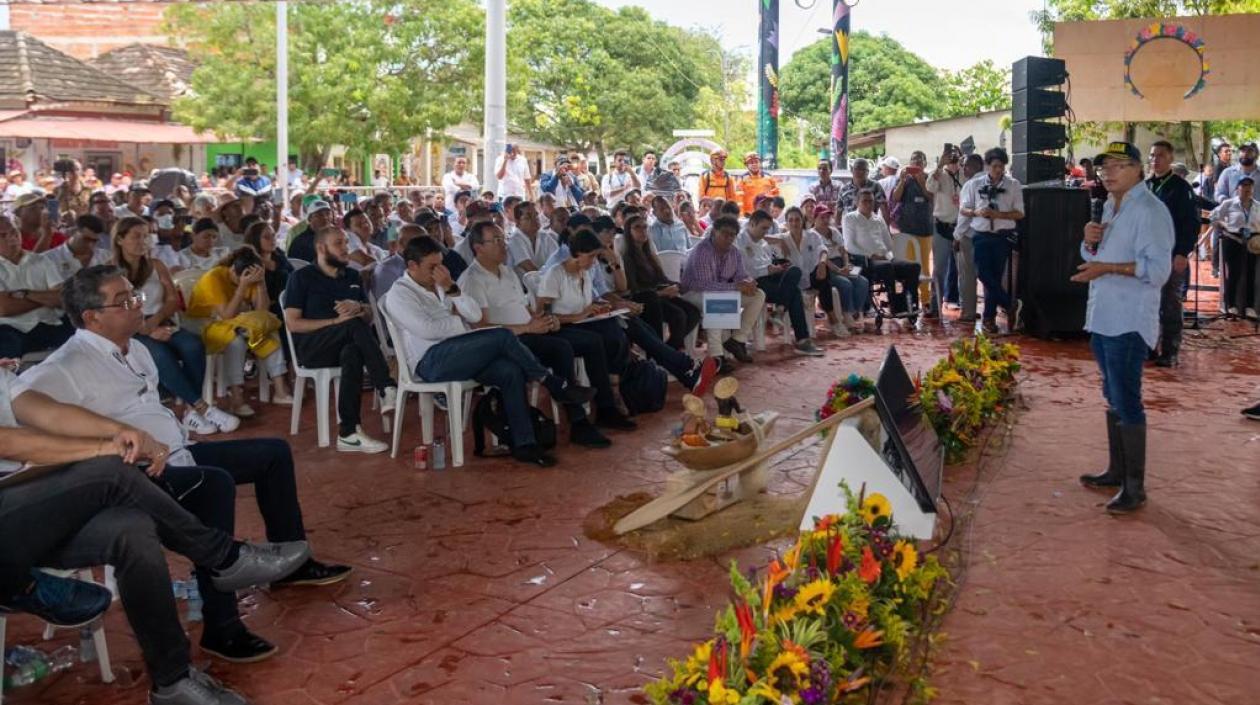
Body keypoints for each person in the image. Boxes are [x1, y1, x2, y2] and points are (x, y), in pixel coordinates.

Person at [21, 264, 351, 667]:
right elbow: (27, 415)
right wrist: (102, 444)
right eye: (124, 301)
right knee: (212, 486)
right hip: (135, 475)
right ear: (92, 317)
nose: (137, 306)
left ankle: (292, 569)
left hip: (178, 451)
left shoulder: (135, 346)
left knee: (272, 453)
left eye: (135, 296)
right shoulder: (64, 367)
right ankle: (222, 626)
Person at [1, 371, 311, 705]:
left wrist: (118, 430)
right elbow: (7, 442)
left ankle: (172, 680)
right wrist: (103, 447)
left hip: (26, 513)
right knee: (111, 469)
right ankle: (224, 558)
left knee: (133, 530)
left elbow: (48, 412)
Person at [385, 237, 595, 467]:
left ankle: (524, 444)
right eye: (432, 267)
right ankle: (551, 381)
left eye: (441, 265)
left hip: (462, 351)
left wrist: (452, 289)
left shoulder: (441, 284)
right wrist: (460, 325)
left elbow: (474, 316)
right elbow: (427, 330)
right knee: (502, 336)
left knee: (510, 371)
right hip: (430, 362)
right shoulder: (400, 293)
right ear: (412, 266)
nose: (439, 272)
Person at [1072, 142, 1174, 514]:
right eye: (1104, 167)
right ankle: (1117, 471)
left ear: (1138, 170)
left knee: (1127, 399)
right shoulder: (1111, 207)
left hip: (1129, 320)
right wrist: (1089, 241)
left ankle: (1136, 487)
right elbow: (1095, 256)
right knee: (1112, 392)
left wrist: (1108, 269)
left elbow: (1158, 272)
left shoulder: (1150, 211)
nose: (1108, 172)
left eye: (1118, 165)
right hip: (1103, 317)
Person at [457, 222, 614, 445]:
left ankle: (603, 409)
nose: (504, 246)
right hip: (505, 343)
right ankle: (577, 419)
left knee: (590, 341)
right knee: (561, 348)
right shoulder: (472, 279)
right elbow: (481, 328)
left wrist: (541, 320)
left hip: (529, 332)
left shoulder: (507, 272)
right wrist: (528, 328)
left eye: (504, 239)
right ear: (478, 248)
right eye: (496, 240)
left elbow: (524, 309)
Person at [113, 216, 238, 435]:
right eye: (136, 236)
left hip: (161, 319)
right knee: (160, 354)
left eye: (146, 236)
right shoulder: (110, 271)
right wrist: (146, 328)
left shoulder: (156, 265)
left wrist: (156, 321)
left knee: (192, 345)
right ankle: (203, 408)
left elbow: (172, 299)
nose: (143, 241)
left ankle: (190, 412)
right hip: (130, 328)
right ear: (120, 239)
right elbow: (116, 307)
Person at [282, 227, 397, 453]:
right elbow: (293, 323)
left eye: (346, 242)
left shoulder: (352, 276)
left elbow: (369, 316)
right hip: (313, 348)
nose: (346, 248)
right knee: (352, 325)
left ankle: (349, 433)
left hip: (345, 344)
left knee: (353, 351)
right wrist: (336, 323)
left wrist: (360, 307)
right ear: (321, 248)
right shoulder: (301, 277)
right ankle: (385, 385)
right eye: (339, 243)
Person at [187, 247, 293, 415]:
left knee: (267, 331)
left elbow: (261, 311)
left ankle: (280, 390)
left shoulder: (252, 277)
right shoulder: (214, 277)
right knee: (234, 341)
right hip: (203, 325)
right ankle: (236, 397)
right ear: (232, 270)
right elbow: (227, 314)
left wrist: (261, 283)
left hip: (234, 322)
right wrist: (242, 286)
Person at [681, 216, 766, 370]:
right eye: (724, 233)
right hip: (692, 293)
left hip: (719, 291)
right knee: (719, 299)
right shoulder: (702, 250)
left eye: (732, 235)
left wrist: (748, 282)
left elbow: (741, 275)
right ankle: (716, 357)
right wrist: (736, 287)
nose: (728, 238)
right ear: (714, 232)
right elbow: (705, 285)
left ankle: (737, 340)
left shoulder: (734, 252)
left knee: (758, 295)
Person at [1145, 141, 1201, 367]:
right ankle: (1148, 346)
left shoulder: (1180, 188)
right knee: (1147, 302)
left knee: (1169, 302)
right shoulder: (1145, 186)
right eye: (1152, 155)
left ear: (1170, 159)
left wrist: (1182, 252)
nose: (1155, 159)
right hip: (1146, 254)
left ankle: (1170, 351)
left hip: (1170, 254)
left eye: (1160, 155)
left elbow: (1191, 223)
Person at [738, 210, 823, 356]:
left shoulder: (762, 242)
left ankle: (780, 309)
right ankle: (801, 339)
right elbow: (745, 269)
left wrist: (776, 268)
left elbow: (767, 261)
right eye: (763, 228)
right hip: (752, 282)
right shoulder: (740, 240)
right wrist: (768, 269)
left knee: (794, 270)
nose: (765, 233)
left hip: (768, 276)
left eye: (767, 229)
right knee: (795, 292)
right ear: (752, 224)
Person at [958, 148, 1023, 335]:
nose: (998, 170)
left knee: (993, 279)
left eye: (1001, 167)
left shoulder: (1013, 185)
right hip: (981, 234)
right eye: (994, 166)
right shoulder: (974, 184)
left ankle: (989, 319)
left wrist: (998, 214)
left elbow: (1020, 213)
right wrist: (976, 212)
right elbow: (963, 209)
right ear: (987, 166)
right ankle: (1010, 304)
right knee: (983, 274)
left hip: (1002, 236)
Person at [776, 206, 863, 337]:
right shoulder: (783, 237)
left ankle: (846, 316)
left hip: (819, 273)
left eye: (797, 220)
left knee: (857, 279)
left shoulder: (816, 235)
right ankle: (837, 319)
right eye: (791, 220)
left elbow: (825, 250)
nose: (794, 223)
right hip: (799, 279)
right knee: (838, 282)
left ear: (802, 221)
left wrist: (827, 263)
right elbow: (761, 237)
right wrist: (778, 240)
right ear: (787, 223)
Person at [621, 214, 701, 351]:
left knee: (693, 313)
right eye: (637, 228)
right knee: (678, 315)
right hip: (647, 299)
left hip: (660, 295)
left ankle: (669, 348)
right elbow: (633, 289)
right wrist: (661, 292)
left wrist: (675, 285)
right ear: (629, 232)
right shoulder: (628, 257)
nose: (643, 231)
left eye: (645, 227)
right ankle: (667, 351)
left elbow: (661, 278)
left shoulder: (648, 253)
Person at [842, 188, 920, 316]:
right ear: (857, 202)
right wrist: (871, 255)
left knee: (913, 267)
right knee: (887, 267)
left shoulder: (878, 219)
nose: (868, 204)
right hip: (865, 261)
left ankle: (908, 303)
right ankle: (895, 306)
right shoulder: (850, 218)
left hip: (885, 258)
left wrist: (887, 256)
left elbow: (889, 244)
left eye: (871, 201)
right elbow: (849, 246)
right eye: (864, 201)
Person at [807, 205, 870, 331]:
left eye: (828, 217)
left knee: (863, 281)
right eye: (822, 217)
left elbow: (843, 251)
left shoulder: (834, 231)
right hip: (826, 267)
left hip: (841, 264)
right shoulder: (812, 235)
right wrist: (838, 270)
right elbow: (821, 258)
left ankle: (854, 311)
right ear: (815, 219)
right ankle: (847, 314)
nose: (825, 220)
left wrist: (846, 265)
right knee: (845, 283)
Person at [1208, 175, 1260, 318]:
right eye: (1243, 186)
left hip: (1252, 242)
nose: (1247, 189)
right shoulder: (1229, 204)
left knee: (1251, 274)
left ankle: (1249, 307)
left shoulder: (1257, 206)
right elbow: (1213, 216)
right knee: (1233, 273)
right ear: (1238, 188)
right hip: (1233, 240)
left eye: (1249, 186)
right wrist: (1225, 225)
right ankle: (1230, 305)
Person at [890, 151, 934, 309]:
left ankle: (926, 301)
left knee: (924, 266)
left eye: (920, 161)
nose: (916, 163)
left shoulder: (930, 178)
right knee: (909, 266)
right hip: (907, 229)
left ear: (925, 164)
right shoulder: (904, 179)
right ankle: (910, 299)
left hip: (926, 229)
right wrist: (902, 180)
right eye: (913, 160)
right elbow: (895, 198)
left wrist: (922, 182)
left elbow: (932, 197)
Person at [927, 145, 964, 318]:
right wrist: (940, 164)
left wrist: (963, 162)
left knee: (964, 269)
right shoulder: (939, 174)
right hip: (942, 226)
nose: (953, 158)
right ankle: (935, 306)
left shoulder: (965, 173)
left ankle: (966, 306)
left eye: (956, 155)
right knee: (939, 269)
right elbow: (930, 188)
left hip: (961, 227)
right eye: (950, 155)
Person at [950, 154, 985, 324]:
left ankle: (968, 312)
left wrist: (957, 236)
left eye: (965, 166)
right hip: (989, 236)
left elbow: (964, 216)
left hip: (969, 235)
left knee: (967, 276)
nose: (963, 169)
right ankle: (989, 314)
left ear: (973, 167)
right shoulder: (994, 181)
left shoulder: (971, 184)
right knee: (987, 276)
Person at [507, 201, 560, 276]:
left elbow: (558, 260)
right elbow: (529, 267)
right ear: (518, 222)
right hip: (523, 286)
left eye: (536, 215)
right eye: (528, 217)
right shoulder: (514, 240)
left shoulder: (545, 236)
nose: (534, 219)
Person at [285, 195, 336, 263]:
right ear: (309, 218)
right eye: (319, 215)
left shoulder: (336, 236)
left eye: (328, 214)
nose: (325, 217)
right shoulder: (300, 242)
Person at [839, 158, 891, 223]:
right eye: (857, 168)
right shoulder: (844, 189)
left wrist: (886, 229)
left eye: (864, 169)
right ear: (852, 170)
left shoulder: (875, 186)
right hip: (851, 226)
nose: (860, 172)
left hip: (871, 225)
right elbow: (839, 210)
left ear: (868, 172)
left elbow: (884, 209)